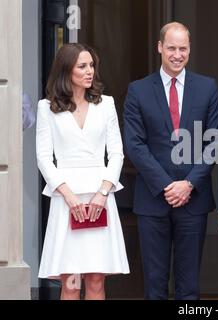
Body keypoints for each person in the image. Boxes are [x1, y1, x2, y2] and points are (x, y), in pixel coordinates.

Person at [123, 22, 218, 300]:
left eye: (183, 48)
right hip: (153, 199)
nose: (177, 54)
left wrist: (188, 184)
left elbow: (214, 142)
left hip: (193, 200)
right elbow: (134, 144)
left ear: (189, 49)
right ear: (159, 48)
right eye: (171, 48)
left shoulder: (207, 88)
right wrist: (168, 185)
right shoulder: (138, 90)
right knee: (154, 283)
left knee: (188, 284)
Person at [36, 43, 130, 300]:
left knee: (97, 281)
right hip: (66, 200)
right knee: (71, 283)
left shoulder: (106, 104)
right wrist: (69, 196)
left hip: (100, 198)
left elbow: (117, 154)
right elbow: (44, 158)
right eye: (82, 66)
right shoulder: (47, 108)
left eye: (91, 66)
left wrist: (102, 193)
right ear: (67, 71)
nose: (90, 71)